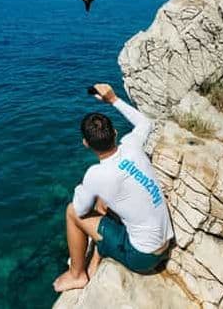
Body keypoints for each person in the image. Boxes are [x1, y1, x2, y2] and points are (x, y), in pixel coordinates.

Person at [53, 83, 174, 293]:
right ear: (115, 133)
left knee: (71, 211)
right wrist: (113, 99)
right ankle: (99, 254)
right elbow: (145, 122)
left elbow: (80, 211)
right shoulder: (131, 144)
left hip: (143, 257)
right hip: (166, 241)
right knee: (105, 200)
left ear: (86, 144)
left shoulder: (95, 175)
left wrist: (84, 187)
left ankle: (77, 275)